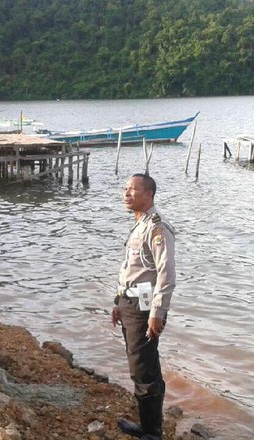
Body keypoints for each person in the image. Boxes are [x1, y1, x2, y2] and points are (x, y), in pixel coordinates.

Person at [111, 173, 175, 440]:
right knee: (141, 366)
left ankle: (152, 433)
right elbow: (132, 270)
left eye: (132, 189)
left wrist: (157, 313)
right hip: (130, 302)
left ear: (148, 194)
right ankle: (149, 426)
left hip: (144, 307)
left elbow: (166, 274)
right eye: (125, 189)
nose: (126, 194)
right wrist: (117, 301)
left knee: (144, 369)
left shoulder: (157, 228)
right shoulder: (140, 225)